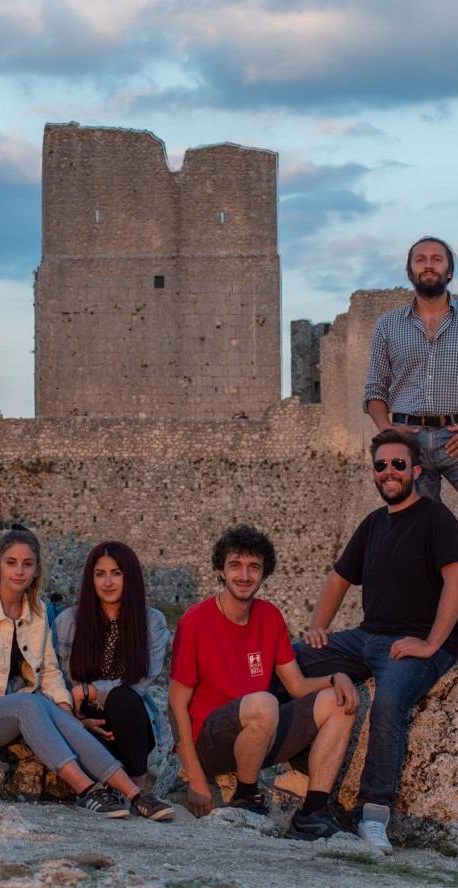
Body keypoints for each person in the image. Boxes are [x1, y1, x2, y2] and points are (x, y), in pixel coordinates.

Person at [297, 428, 458, 852]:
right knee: (292, 659)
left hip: (418, 643)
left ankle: (373, 814)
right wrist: (318, 625)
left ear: (416, 470)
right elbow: (338, 577)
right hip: (367, 638)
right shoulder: (373, 524)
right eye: (381, 465)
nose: (389, 472)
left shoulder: (435, 518)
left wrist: (430, 644)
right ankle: (298, 767)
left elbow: (455, 581)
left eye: (398, 465)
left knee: (388, 701)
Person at [0, 524, 172, 820]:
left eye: (27, 564)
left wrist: (68, 712)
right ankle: (88, 790)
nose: (19, 572)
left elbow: (50, 671)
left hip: (23, 708)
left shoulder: (37, 610)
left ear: (36, 569)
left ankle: (135, 794)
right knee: (31, 702)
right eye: (11, 563)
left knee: (44, 703)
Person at [169, 524, 359, 841]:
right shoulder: (195, 621)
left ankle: (312, 813)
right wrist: (196, 780)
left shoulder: (269, 616)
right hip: (212, 742)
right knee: (265, 702)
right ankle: (245, 795)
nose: (244, 575)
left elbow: (297, 685)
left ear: (264, 573)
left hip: (261, 730)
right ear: (221, 569)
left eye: (253, 567)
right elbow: (175, 704)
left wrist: (336, 678)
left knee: (340, 702)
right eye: (236, 565)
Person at [55, 541, 171, 810]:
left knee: (123, 697)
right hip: (80, 719)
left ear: (130, 577)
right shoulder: (68, 622)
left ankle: (138, 789)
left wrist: (89, 691)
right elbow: (58, 679)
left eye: (116, 573)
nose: (108, 582)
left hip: (128, 719)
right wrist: (78, 718)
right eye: (100, 574)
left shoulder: (151, 621)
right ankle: (101, 791)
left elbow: (143, 679)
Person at [365, 235, 458, 500]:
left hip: (455, 439)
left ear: (449, 271)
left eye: (437, 259)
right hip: (409, 441)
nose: (428, 265)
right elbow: (375, 389)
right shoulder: (388, 325)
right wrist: (385, 428)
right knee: (418, 528)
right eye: (420, 260)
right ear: (410, 272)